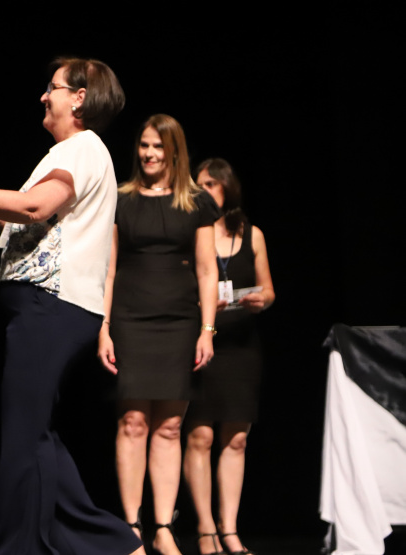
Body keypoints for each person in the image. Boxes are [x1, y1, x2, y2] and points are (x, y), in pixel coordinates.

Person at [0, 57, 142, 555]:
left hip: (51, 307)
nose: (43, 95)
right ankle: (116, 545)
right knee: (36, 437)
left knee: (23, 439)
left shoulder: (81, 148)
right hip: (44, 309)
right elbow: (23, 225)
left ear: (79, 98)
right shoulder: (70, 152)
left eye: (52, 87)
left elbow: (33, 207)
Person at [97, 114, 220, 555]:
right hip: (131, 319)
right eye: (144, 145)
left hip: (180, 322)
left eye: (157, 147)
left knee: (169, 426)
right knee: (133, 422)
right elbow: (108, 269)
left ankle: (164, 527)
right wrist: (104, 327)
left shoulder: (197, 202)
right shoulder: (121, 199)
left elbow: (207, 270)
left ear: (173, 151)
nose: (149, 154)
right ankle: (131, 528)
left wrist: (207, 330)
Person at [183, 158, 274, 555]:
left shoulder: (252, 234)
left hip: (241, 347)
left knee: (236, 438)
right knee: (200, 435)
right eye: (199, 184)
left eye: (211, 184)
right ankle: (206, 530)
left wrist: (259, 300)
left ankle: (230, 529)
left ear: (227, 188)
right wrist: (203, 304)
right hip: (203, 343)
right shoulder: (191, 232)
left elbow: (269, 290)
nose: (204, 191)